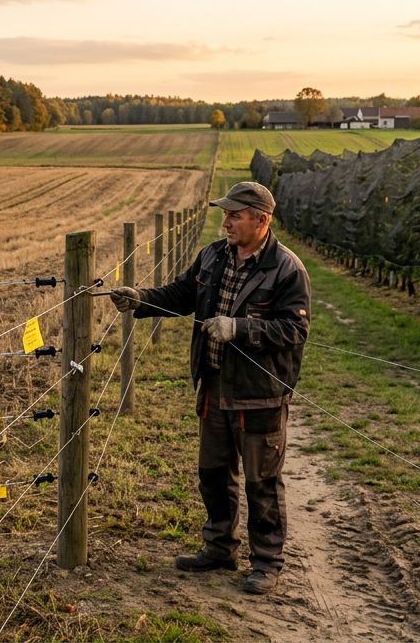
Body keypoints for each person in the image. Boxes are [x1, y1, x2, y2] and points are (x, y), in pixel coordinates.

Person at [109, 181, 310, 595]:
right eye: (225, 214)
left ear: (262, 220)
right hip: (215, 385)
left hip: (260, 393)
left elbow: (294, 330)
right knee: (213, 474)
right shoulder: (213, 255)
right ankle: (220, 548)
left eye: (235, 215)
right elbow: (183, 294)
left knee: (262, 481)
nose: (226, 222)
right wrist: (140, 300)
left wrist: (239, 328)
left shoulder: (287, 269)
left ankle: (267, 563)